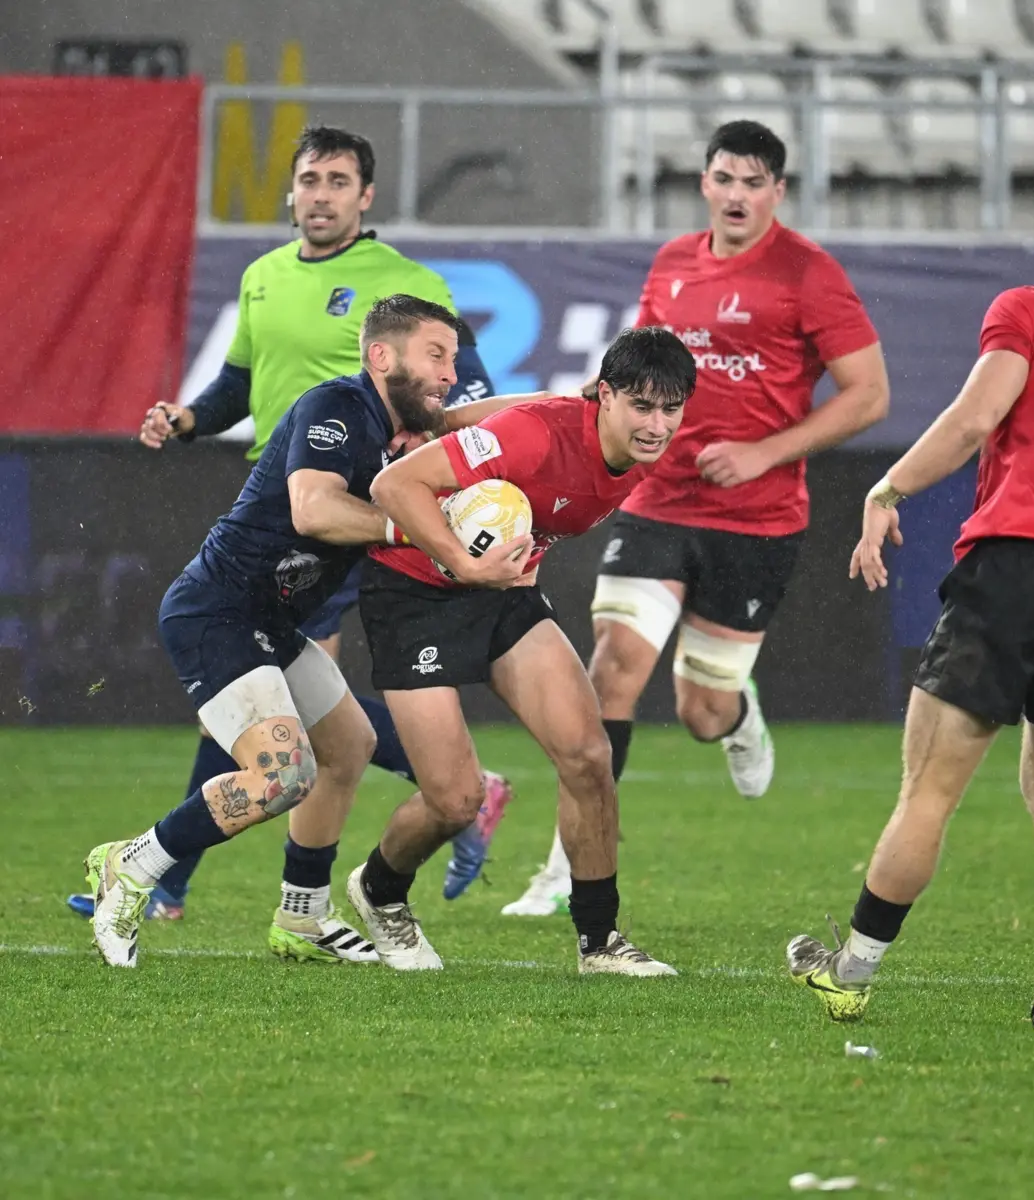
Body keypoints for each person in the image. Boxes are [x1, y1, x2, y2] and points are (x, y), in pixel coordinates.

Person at [67, 125, 510, 931]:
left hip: (339, 529)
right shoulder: (266, 281)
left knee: (315, 741)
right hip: (307, 518)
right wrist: (193, 416)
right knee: (284, 755)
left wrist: (563, 409)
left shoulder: (405, 287)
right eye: (310, 179)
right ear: (293, 190)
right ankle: (154, 869)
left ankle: (296, 909)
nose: (321, 194)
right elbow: (243, 383)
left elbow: (453, 396)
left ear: (366, 196)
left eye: (339, 181)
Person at [785, 180, 1034, 1029]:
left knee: (930, 789)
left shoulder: (1029, 310)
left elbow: (976, 418)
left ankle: (852, 972)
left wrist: (889, 488)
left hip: (1010, 567)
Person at [502, 120, 889, 917]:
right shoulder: (674, 263)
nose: (738, 195)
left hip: (757, 517)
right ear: (704, 183)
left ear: (778, 191)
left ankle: (738, 716)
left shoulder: (810, 274)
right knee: (609, 671)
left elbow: (870, 395)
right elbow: (631, 366)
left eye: (755, 182)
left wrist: (765, 452)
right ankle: (565, 867)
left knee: (700, 712)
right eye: (725, 179)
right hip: (658, 500)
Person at [346, 326, 696, 975]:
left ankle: (599, 943)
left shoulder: (628, 441)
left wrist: (448, 420)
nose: (657, 424)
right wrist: (461, 561)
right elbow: (393, 487)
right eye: (643, 406)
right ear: (607, 396)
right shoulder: (541, 435)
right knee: (455, 801)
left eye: (671, 408)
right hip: (413, 594)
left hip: (503, 594)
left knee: (589, 757)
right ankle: (377, 891)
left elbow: (530, 404)